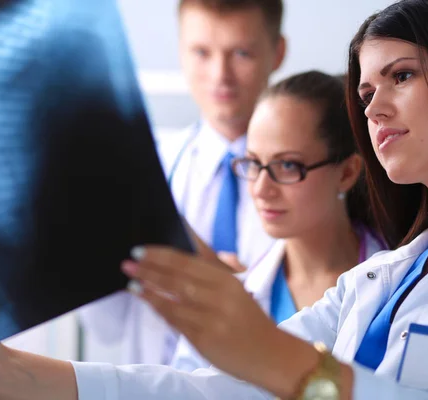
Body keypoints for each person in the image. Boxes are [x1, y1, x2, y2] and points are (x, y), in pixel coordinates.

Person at [0, 0, 428, 399]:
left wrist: (281, 361)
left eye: (400, 76)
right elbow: (195, 389)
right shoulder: (376, 282)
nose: (372, 109)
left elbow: (270, 366)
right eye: (366, 88)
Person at [77, 0, 285, 365]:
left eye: (241, 52)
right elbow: (106, 329)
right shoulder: (143, 170)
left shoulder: (314, 179)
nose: (220, 75)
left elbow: (311, 324)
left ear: (277, 52)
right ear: (180, 53)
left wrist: (228, 283)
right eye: (201, 52)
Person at [170, 70, 387, 371]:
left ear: (347, 173)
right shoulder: (242, 296)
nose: (261, 189)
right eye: (253, 163)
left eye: (287, 165)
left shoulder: (400, 286)